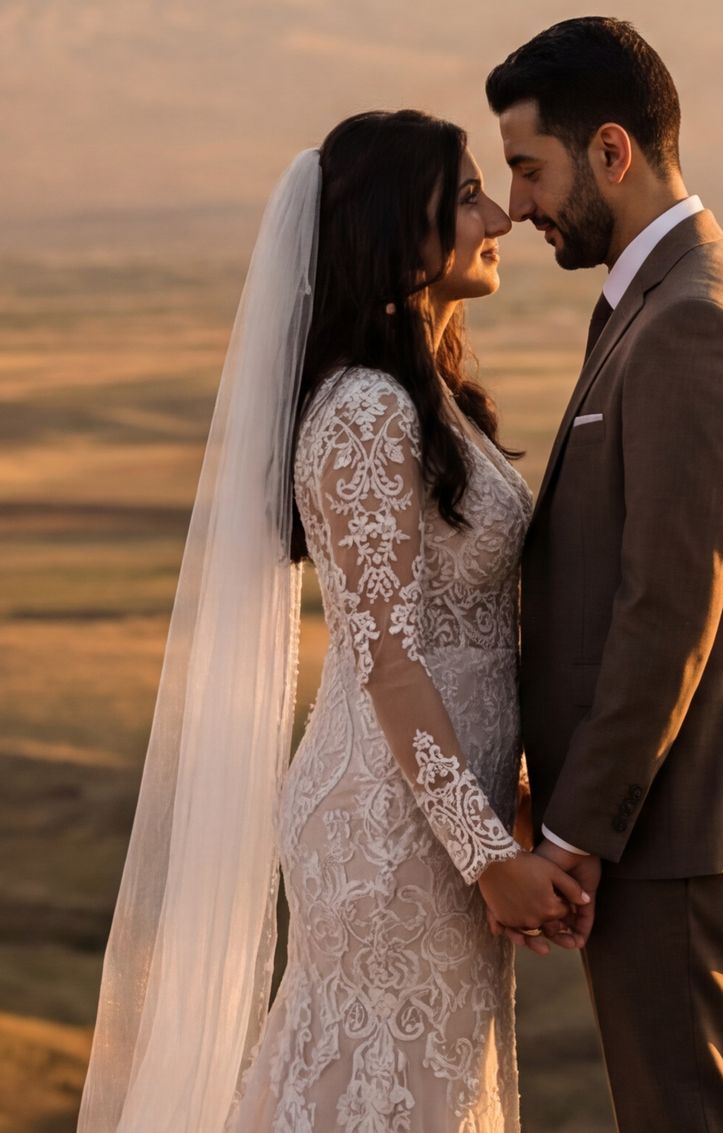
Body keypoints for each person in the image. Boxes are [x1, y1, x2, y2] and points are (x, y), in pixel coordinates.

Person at [79, 109, 586, 1133]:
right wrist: (485, 855)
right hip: (390, 833)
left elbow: (462, 637)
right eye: (471, 198)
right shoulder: (364, 411)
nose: (500, 216)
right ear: (406, 230)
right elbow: (389, 664)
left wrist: (509, 804)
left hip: (435, 813)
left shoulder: (424, 397)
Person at [489, 17, 723, 1132]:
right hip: (666, 817)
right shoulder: (665, 298)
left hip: (674, 823)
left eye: (531, 170)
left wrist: (578, 829)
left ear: (612, 152)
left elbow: (668, 609)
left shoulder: (694, 320)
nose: (522, 205)